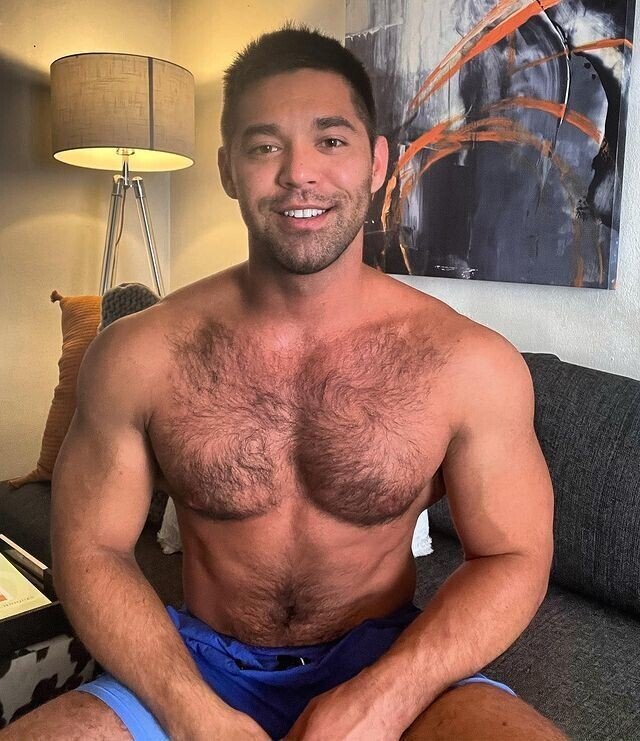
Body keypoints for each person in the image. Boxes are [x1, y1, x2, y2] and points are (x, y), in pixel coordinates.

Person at [2, 25, 568, 741]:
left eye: (330, 140)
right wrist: (192, 710)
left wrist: (386, 696)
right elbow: (92, 549)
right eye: (264, 146)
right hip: (195, 664)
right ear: (227, 170)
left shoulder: (469, 363)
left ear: (376, 162)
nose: (299, 172)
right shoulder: (138, 353)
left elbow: (514, 555)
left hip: (387, 661)